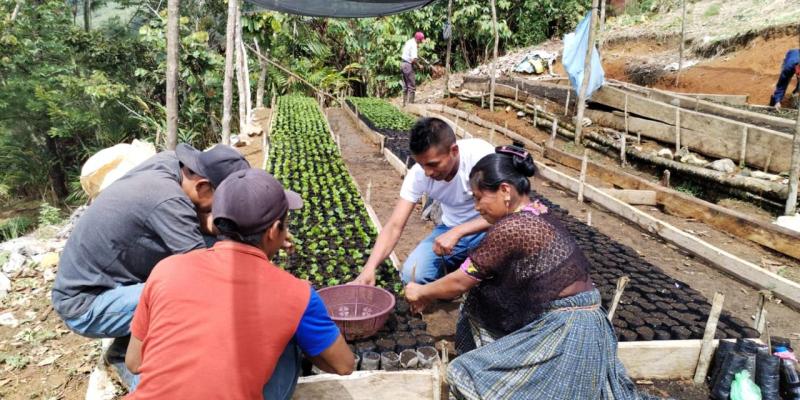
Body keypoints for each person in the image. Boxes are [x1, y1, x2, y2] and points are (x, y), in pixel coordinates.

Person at [404, 145, 654, 400]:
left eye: (479, 197)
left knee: (463, 373)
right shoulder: (537, 210)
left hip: (568, 330)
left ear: (504, 191)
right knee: (482, 299)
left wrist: (420, 291)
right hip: (586, 321)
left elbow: (459, 283)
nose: (476, 207)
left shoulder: (512, 228)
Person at [124, 168, 354, 399]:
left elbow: (134, 362)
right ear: (274, 231)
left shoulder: (167, 269)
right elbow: (344, 365)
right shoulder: (297, 294)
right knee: (291, 341)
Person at [51, 143, 249, 388]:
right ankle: (135, 367)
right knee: (188, 294)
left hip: (110, 280)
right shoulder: (167, 201)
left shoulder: (172, 165)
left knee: (213, 249)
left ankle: (128, 342)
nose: (219, 210)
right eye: (220, 202)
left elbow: (203, 222)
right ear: (203, 186)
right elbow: (204, 279)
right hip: (86, 304)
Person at [352, 117, 494, 286]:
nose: (427, 172)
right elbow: (394, 225)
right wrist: (370, 267)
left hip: (491, 228)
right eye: (421, 164)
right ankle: (457, 266)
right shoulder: (418, 174)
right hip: (450, 228)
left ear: (454, 151)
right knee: (413, 275)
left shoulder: (481, 157)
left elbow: (510, 210)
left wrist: (459, 232)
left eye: (433, 164)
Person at [401, 31, 425, 106]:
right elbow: (413, 59)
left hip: (402, 64)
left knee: (405, 86)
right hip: (408, 65)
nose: (420, 42)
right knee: (412, 86)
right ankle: (410, 106)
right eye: (420, 41)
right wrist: (419, 65)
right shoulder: (414, 45)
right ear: (418, 39)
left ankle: (404, 104)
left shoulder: (409, 41)